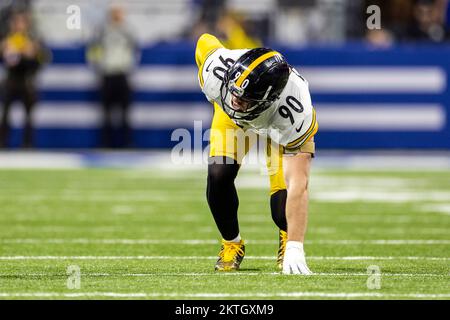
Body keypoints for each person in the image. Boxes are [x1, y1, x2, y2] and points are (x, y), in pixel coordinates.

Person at [195, 33, 318, 275]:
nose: (234, 100)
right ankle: (232, 244)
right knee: (219, 174)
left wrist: (296, 244)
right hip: (236, 122)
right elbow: (204, 41)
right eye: (234, 92)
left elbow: (299, 184)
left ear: (267, 98)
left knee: (281, 204)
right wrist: (239, 97)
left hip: (275, 125)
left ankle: (285, 238)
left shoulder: (293, 112)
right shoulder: (217, 71)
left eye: (244, 99)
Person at [86, 5, 138, 148]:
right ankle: (106, 143)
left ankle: (126, 143)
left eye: (119, 12)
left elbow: (136, 51)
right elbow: (93, 50)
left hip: (122, 73)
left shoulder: (128, 30)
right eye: (114, 12)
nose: (117, 15)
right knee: (106, 113)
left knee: (125, 113)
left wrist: (131, 69)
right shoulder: (102, 30)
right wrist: (97, 68)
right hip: (107, 74)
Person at [0, 12, 46, 148]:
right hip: (12, 80)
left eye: (21, 22)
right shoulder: (7, 39)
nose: (19, 25)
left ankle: (27, 143)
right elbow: (6, 60)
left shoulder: (32, 40)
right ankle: (3, 142)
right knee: (6, 113)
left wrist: (32, 53)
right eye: (16, 22)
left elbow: (41, 61)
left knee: (29, 115)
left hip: (26, 80)